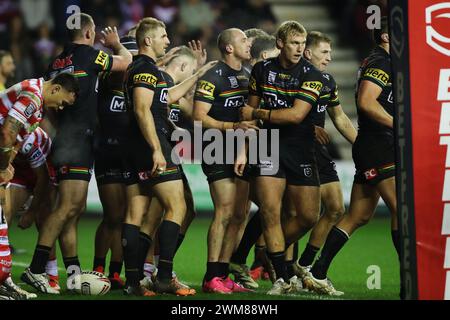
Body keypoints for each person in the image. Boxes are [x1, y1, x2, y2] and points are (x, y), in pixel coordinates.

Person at [21, 12, 132, 294]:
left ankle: (71, 273)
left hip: (63, 139)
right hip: (78, 141)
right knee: (68, 207)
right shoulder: (91, 55)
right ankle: (35, 269)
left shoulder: (56, 61)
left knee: (72, 209)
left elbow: (50, 106)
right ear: (88, 33)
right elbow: (125, 63)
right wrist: (116, 44)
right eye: (93, 33)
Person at [304, 17, 399, 296]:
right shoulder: (382, 62)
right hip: (379, 144)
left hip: (372, 144)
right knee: (402, 211)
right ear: (384, 36)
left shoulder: (379, 61)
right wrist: (400, 124)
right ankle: (410, 275)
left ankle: (317, 272)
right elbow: (367, 103)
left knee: (358, 215)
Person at [121, 17, 214, 297]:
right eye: (163, 36)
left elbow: (167, 97)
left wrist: (195, 76)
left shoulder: (144, 70)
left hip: (136, 147)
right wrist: (157, 149)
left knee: (137, 214)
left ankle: (134, 283)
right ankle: (163, 276)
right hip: (151, 145)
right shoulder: (145, 69)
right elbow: (141, 109)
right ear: (147, 40)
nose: (168, 40)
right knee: (178, 208)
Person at [239, 20, 324, 295]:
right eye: (294, 43)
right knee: (269, 212)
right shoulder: (261, 69)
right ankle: (282, 277)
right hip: (268, 144)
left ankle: (265, 249)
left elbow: (296, 115)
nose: (300, 48)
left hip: (300, 147)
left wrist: (260, 114)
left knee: (309, 216)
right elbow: (245, 111)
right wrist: (243, 149)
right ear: (280, 44)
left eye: (302, 43)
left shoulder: (312, 74)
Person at [0, 73, 79, 298]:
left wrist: (32, 211)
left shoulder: (37, 108)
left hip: (20, 169)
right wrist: (3, 168)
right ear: (55, 89)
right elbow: (7, 134)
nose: (61, 108)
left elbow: (42, 180)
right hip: (9, 164)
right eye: (63, 102)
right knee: (2, 218)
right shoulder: (33, 97)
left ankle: (18, 277)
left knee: (25, 218)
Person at [193, 27, 258, 294]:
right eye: (243, 39)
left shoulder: (248, 76)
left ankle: (223, 273)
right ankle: (211, 276)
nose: (248, 43)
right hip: (216, 147)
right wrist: (232, 128)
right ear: (229, 47)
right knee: (225, 211)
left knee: (240, 214)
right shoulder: (212, 76)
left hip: (242, 149)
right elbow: (198, 118)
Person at [92, 33, 139, 290]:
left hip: (130, 158)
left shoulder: (137, 89)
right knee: (112, 215)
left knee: (125, 218)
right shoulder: (104, 86)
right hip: (108, 155)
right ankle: (98, 267)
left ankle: (115, 272)